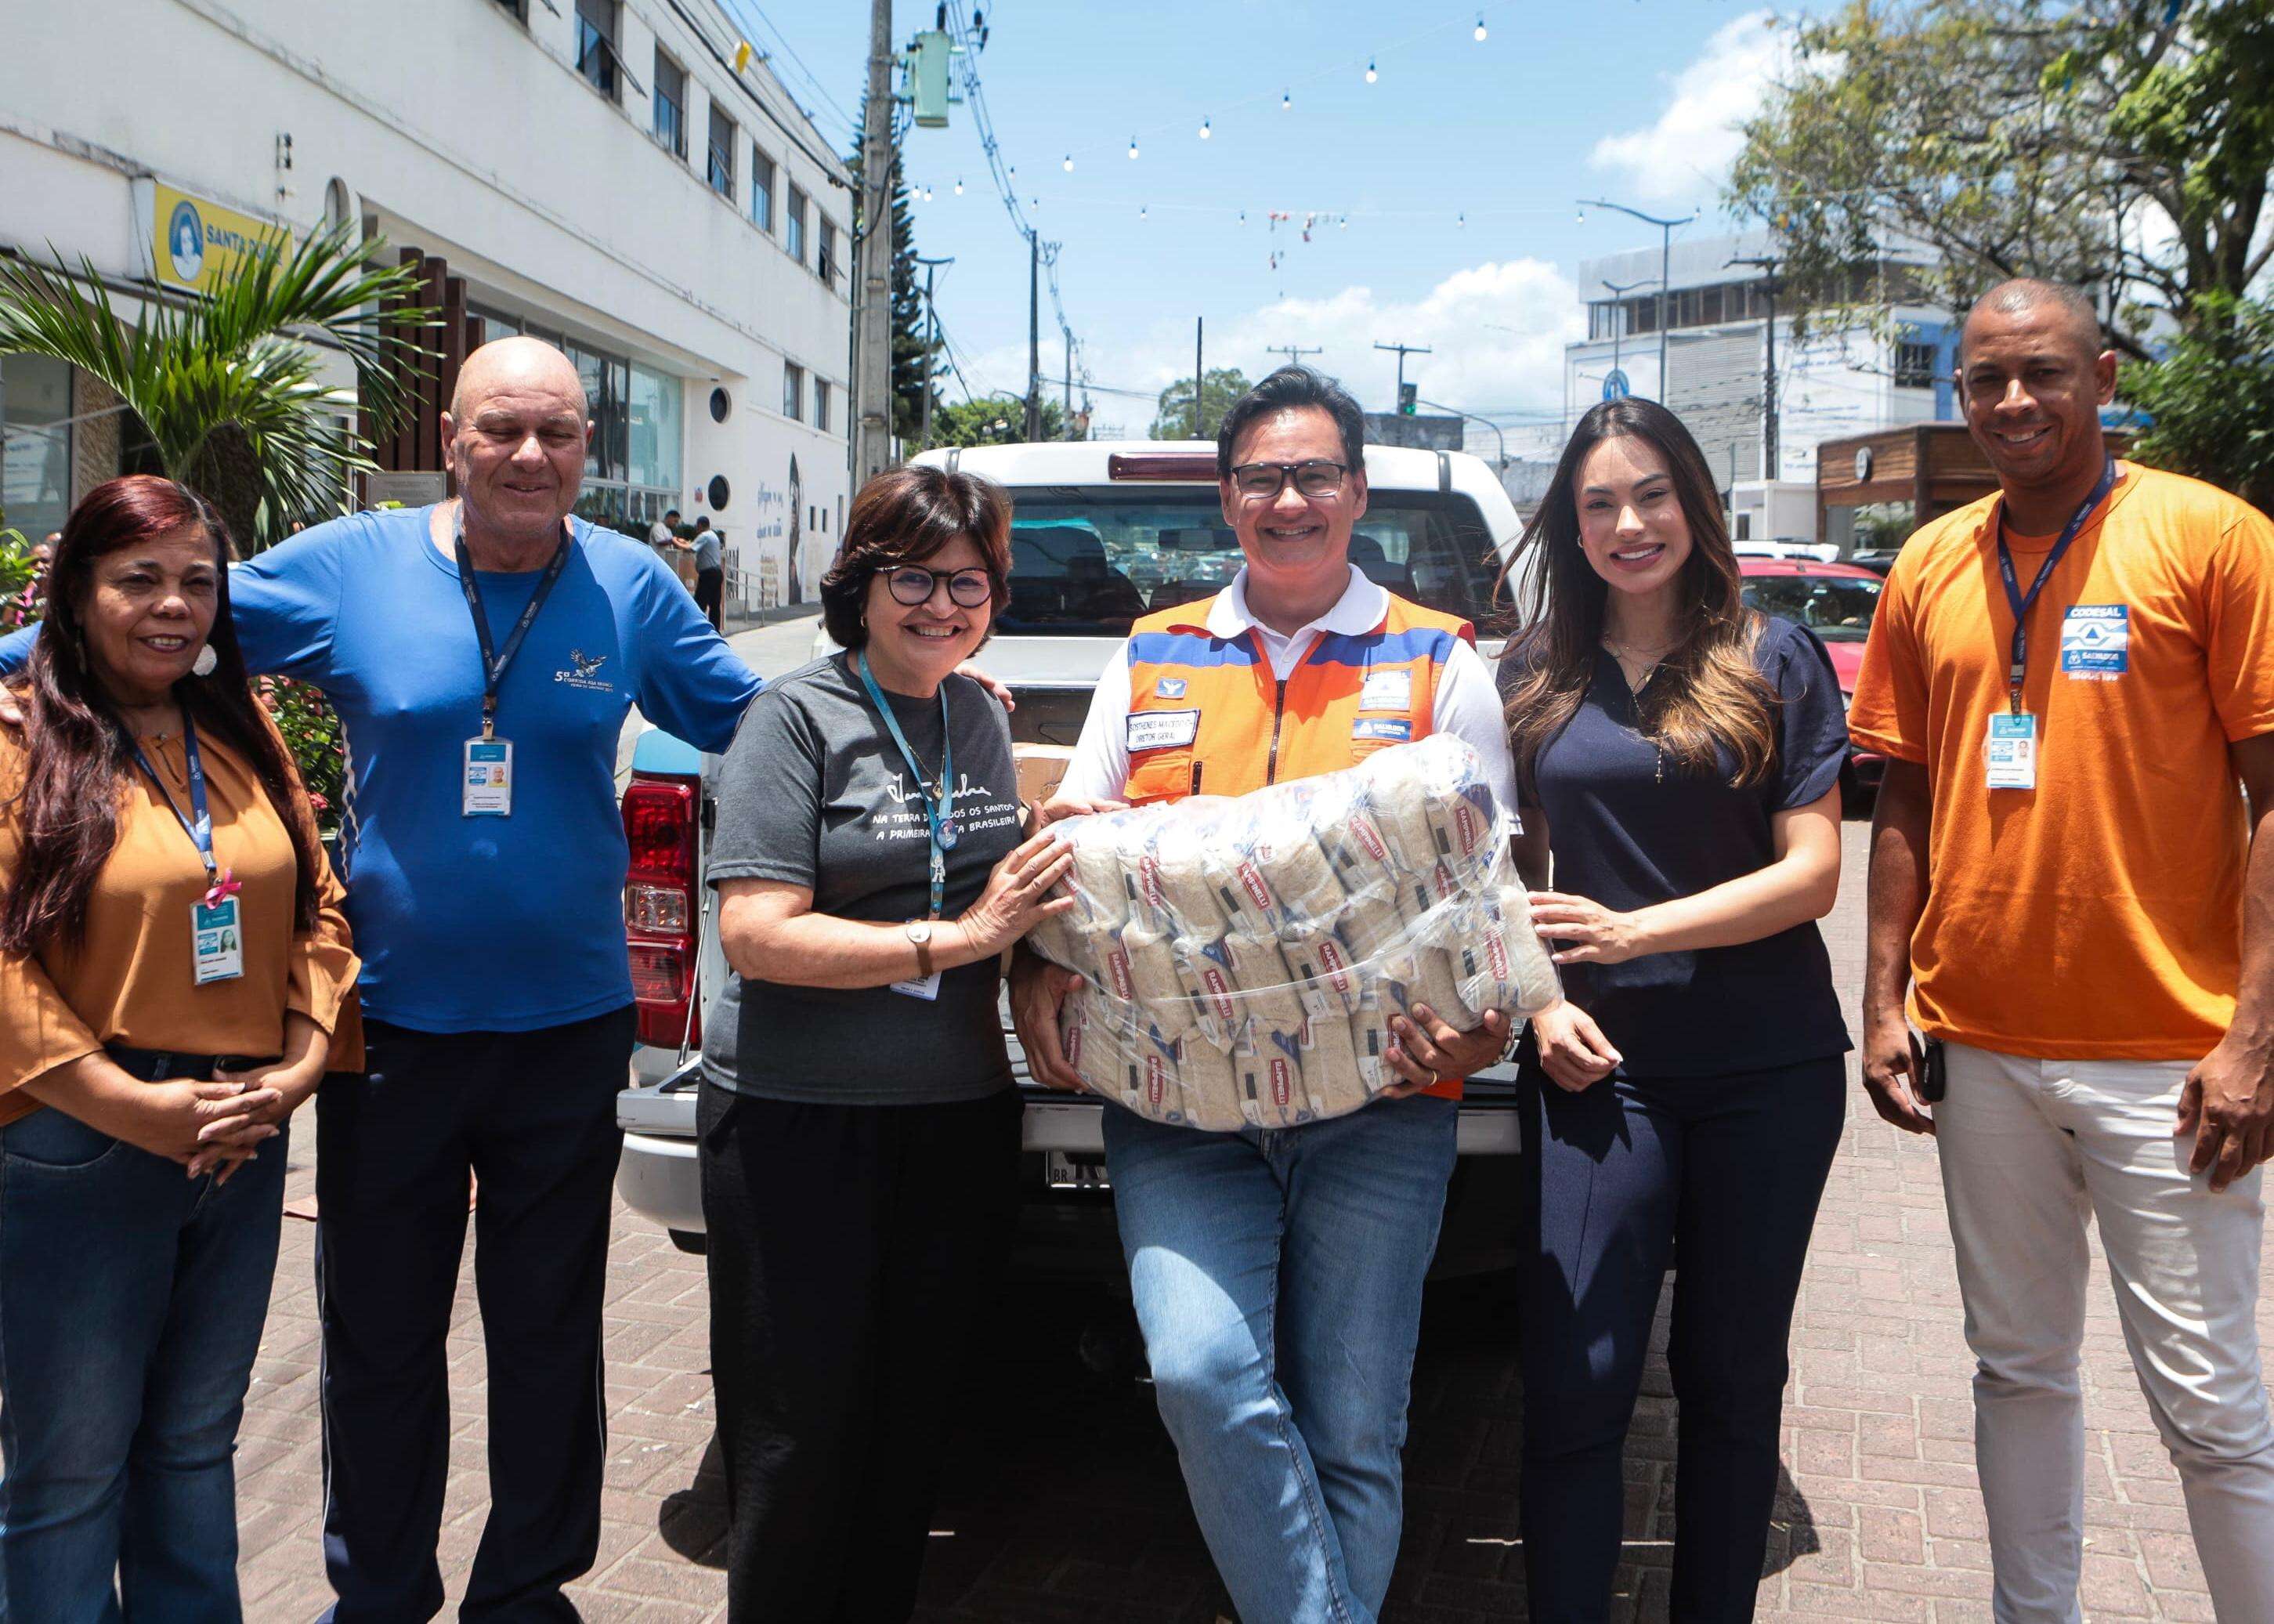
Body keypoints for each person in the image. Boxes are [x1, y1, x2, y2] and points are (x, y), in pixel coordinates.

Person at [0, 336, 763, 1621]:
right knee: (379, 1340)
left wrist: (907, 692)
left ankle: (526, 1588)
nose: (531, 456)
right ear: (450, 441)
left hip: (570, 1025)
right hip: (388, 1028)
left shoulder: (631, 584)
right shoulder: (350, 566)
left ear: (588, 449)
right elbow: (149, 614)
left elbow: (750, 713)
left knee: (546, 1333)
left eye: (558, 434)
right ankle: (380, 1593)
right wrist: (19, 676)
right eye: (502, 431)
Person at [1012, 366, 1519, 1624]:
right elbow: (1070, 855)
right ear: (1224, 499)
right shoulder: (1150, 657)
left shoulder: (1439, 662)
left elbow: (1489, 882)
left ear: (1355, 491)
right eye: (1259, 477)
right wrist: (1029, 976)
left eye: (1313, 475)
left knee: (1353, 1427)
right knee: (1197, 1374)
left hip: (1384, 1100)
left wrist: (1486, 1016)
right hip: (1180, 1109)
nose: (1287, 499)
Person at [1851, 277, 2274, 1620]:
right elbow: (1900, 797)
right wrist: (1881, 998)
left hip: (2172, 1060)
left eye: (2040, 372)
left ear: (2100, 375)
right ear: (1957, 397)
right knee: (2016, 1368)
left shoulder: (2209, 538)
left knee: (2209, 1403)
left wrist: (2254, 1037)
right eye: (1985, 381)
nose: (2013, 401)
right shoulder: (1928, 563)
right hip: (1982, 1051)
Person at [1495, 398, 1849, 1621]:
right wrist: (1539, 1004)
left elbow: (1811, 872)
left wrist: (1635, 929)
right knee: (1576, 1376)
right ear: (1569, 523)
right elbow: (1498, 871)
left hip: (1769, 1069)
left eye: (1648, 494)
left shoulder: (1772, 654)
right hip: (1600, 1070)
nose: (1625, 523)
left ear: (1692, 505)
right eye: (1596, 503)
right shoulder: (1534, 670)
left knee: (1729, 1380)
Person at [700, 463, 1072, 1621]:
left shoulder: (975, 712)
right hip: (799, 1120)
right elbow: (755, 934)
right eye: (912, 578)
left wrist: (1028, 959)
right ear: (860, 584)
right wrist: (956, 940)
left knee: (912, 1425)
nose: (941, 606)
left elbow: (1002, 897)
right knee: (796, 1436)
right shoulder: (793, 718)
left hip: (952, 1116)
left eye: (968, 583)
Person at [0, 476, 357, 1619]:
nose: (172, 607)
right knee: (69, 1469)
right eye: (138, 580)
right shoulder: (22, 745)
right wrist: (126, 1106)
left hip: (241, 1132)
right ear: (75, 596)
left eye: (197, 582)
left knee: (195, 1448)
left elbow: (320, 908)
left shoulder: (241, 738)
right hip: (79, 1137)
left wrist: (300, 1065)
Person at [687, 515, 725, 631]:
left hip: (708, 574)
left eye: (696, 526)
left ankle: (697, 630)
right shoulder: (713, 535)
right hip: (717, 573)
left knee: (699, 604)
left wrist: (675, 542)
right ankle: (715, 631)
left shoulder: (704, 536)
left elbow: (691, 548)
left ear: (700, 525)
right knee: (714, 605)